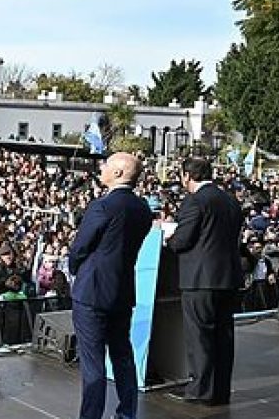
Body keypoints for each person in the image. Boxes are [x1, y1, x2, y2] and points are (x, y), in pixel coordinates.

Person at [67, 152, 152, 419]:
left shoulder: (102, 206)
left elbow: (80, 247)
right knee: (122, 356)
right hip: (122, 291)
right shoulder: (143, 209)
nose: (101, 168)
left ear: (117, 173)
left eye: (106, 164)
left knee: (93, 364)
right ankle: (127, 414)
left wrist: (73, 269)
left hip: (92, 292)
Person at [165, 158, 244, 406]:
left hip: (200, 280)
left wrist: (169, 238)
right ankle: (220, 390)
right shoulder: (230, 200)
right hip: (228, 278)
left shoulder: (195, 201)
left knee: (200, 336)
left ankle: (200, 389)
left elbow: (182, 241)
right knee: (224, 336)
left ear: (188, 176)